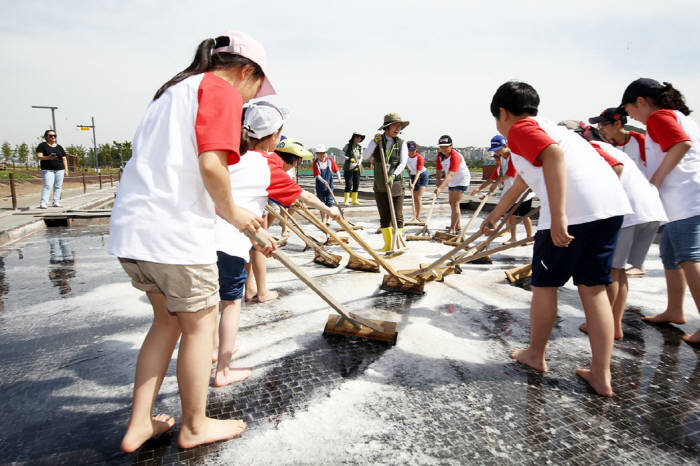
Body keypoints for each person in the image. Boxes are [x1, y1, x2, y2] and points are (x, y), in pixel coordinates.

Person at [108, 31, 275, 452]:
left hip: (133, 232)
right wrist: (236, 214)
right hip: (175, 235)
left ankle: (140, 424)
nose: (253, 94)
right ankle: (195, 425)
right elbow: (211, 164)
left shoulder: (170, 92)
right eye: (256, 85)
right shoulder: (219, 88)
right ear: (245, 71)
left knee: (165, 323)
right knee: (199, 327)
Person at [482, 81, 631, 396]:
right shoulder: (553, 129)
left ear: (504, 113)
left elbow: (552, 156)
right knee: (593, 288)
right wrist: (494, 217)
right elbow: (521, 182)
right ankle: (601, 375)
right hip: (609, 207)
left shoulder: (521, 129)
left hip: (573, 213)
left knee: (545, 285)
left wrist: (560, 215)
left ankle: (535, 354)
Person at [213, 101, 340, 387]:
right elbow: (298, 196)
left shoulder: (224, 152)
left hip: (199, 240)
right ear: (273, 136)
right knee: (230, 304)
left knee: (210, 303)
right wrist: (328, 209)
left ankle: (211, 350)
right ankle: (223, 369)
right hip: (230, 241)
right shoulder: (265, 162)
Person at [562, 121, 667, 340]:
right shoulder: (606, 147)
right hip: (648, 209)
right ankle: (614, 324)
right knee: (618, 270)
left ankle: (604, 324)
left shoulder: (591, 148)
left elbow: (615, 169)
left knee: (611, 271)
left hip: (628, 212)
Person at [620, 78, 700, 346]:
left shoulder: (659, 117)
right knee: (670, 253)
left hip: (685, 199)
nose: (635, 118)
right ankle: (675, 309)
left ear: (641, 101)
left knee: (689, 257)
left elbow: (681, 145)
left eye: (632, 112)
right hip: (683, 199)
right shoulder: (677, 116)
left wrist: (655, 180)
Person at [471, 135, 534, 244]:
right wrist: (493, 186)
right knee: (511, 215)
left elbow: (511, 173)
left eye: (499, 150)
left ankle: (529, 237)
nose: (497, 153)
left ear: (505, 146)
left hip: (522, 191)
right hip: (511, 192)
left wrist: (496, 183)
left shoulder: (513, 156)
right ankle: (513, 238)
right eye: (495, 151)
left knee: (525, 216)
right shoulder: (502, 159)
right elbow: (497, 176)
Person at [362, 113, 409, 252]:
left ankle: (397, 244)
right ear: (387, 127)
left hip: (396, 183)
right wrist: (374, 142)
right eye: (395, 126)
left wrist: (393, 175)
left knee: (397, 215)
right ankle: (388, 245)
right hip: (380, 183)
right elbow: (365, 156)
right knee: (384, 216)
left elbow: (402, 163)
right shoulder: (378, 141)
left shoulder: (401, 143)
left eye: (399, 126)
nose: (398, 128)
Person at [434, 135, 471, 235]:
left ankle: (453, 227)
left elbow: (451, 173)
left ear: (451, 146)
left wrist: (441, 188)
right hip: (452, 180)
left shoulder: (455, 156)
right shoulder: (439, 156)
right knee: (451, 202)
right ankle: (457, 225)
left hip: (462, 179)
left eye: (446, 146)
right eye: (441, 146)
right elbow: (438, 170)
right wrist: (438, 181)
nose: (444, 149)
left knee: (455, 203)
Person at [36, 129, 69, 209]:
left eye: (54, 136)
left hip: (59, 169)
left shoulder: (59, 147)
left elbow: (64, 158)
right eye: (51, 136)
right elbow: (39, 156)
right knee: (48, 185)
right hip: (48, 169)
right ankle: (43, 203)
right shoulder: (42, 145)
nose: (53, 137)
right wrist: (48, 157)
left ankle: (56, 202)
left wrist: (66, 169)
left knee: (58, 186)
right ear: (46, 137)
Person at [312, 144, 341, 225]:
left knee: (330, 202)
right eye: (319, 153)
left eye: (322, 153)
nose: (321, 155)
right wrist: (323, 181)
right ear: (317, 154)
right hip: (320, 185)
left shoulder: (330, 160)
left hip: (329, 184)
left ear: (325, 153)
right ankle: (323, 220)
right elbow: (317, 175)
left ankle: (329, 219)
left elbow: (336, 170)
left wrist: (339, 179)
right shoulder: (316, 163)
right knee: (321, 203)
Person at [406, 140, 428, 222]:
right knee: (414, 198)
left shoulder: (419, 158)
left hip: (422, 175)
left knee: (418, 197)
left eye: (413, 150)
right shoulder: (405, 157)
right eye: (410, 150)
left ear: (416, 149)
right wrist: (410, 177)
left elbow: (418, 172)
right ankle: (414, 215)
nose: (411, 152)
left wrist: (413, 184)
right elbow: (407, 168)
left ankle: (418, 216)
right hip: (412, 175)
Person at [342, 132, 365, 206]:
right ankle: (346, 201)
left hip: (357, 167)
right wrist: (348, 158)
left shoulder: (360, 147)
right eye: (357, 137)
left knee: (356, 183)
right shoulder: (348, 146)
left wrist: (359, 162)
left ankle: (354, 200)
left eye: (360, 138)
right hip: (349, 167)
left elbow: (361, 156)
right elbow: (341, 153)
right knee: (348, 184)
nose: (358, 139)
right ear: (353, 138)